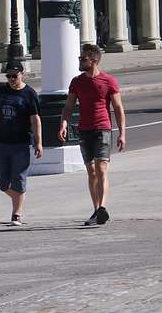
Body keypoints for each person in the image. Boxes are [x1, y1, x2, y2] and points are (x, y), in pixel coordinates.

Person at [59, 44, 126, 226]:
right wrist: (63, 124)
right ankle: (97, 210)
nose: (80, 62)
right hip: (84, 129)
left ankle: (102, 208)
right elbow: (68, 107)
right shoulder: (77, 82)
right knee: (91, 171)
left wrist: (122, 134)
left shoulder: (108, 81)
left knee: (102, 169)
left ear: (94, 60)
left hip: (102, 128)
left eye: (83, 59)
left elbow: (118, 109)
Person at [0, 63, 42, 226]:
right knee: (1, 181)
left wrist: (38, 142)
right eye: (9, 76)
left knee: (19, 179)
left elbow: (35, 120)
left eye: (15, 76)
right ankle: (18, 197)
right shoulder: (1, 89)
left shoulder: (29, 94)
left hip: (21, 144)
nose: (12, 79)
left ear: (22, 74)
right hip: (1, 142)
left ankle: (17, 214)